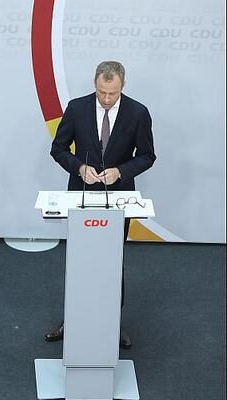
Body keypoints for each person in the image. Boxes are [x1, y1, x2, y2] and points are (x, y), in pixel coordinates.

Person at [46, 60, 156, 349]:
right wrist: (79, 167)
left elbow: (147, 155)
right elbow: (58, 148)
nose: (106, 100)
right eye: (101, 93)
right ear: (95, 84)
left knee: (113, 260)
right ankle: (73, 318)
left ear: (122, 86)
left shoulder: (138, 113)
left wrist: (121, 171)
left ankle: (111, 321)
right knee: (80, 258)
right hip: (81, 193)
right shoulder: (77, 107)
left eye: (112, 94)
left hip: (119, 197)